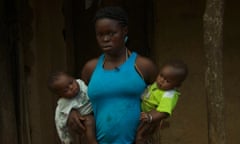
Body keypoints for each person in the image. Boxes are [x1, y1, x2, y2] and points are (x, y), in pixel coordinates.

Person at [67, 6, 158, 144]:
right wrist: (72, 112)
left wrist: (153, 120)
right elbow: (78, 100)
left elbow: (164, 97)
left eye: (111, 33)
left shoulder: (143, 66)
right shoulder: (90, 69)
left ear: (124, 31)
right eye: (100, 34)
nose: (105, 39)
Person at [135, 59, 188, 144]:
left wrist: (150, 117)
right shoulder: (156, 84)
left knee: (140, 136)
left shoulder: (168, 94)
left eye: (167, 81)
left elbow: (163, 112)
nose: (161, 81)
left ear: (177, 85)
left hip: (151, 120)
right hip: (142, 113)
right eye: (161, 75)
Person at [47, 71, 97, 144]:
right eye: (66, 90)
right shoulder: (64, 104)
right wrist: (65, 139)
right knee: (89, 122)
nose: (71, 87)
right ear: (60, 95)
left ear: (73, 78)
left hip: (96, 110)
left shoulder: (82, 84)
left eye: (71, 82)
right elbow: (59, 122)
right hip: (84, 119)